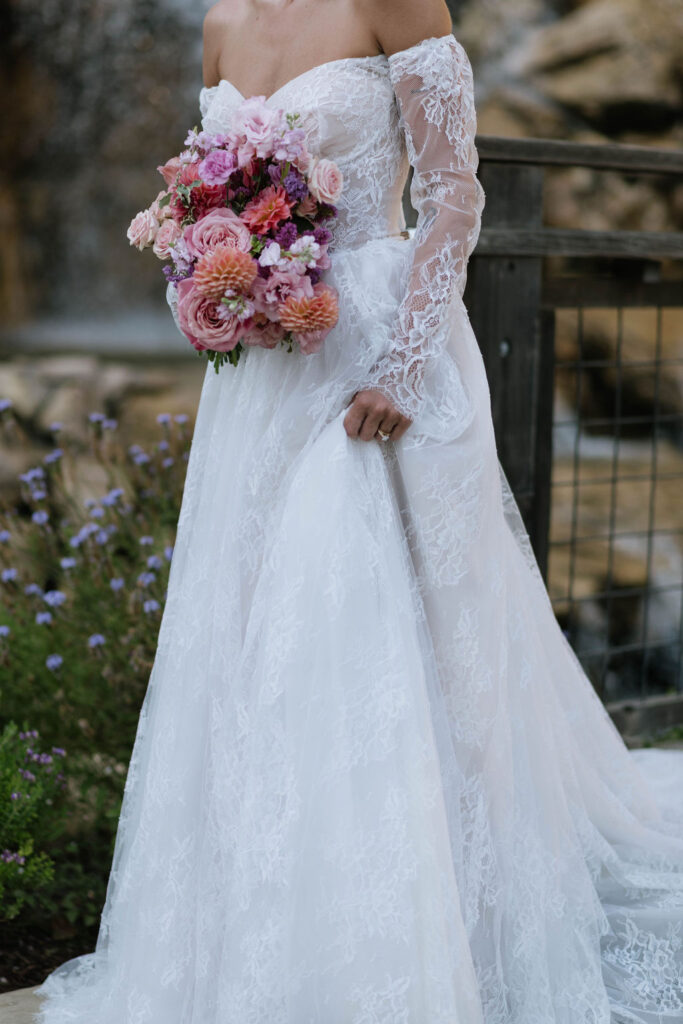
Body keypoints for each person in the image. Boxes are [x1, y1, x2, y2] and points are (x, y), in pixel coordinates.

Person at [36, 0, 683, 1021]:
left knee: (387, 639)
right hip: (259, 372)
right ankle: (270, 934)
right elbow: (209, 196)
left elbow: (454, 196)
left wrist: (402, 364)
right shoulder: (218, 24)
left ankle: (437, 939)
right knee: (253, 644)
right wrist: (216, 268)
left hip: (379, 354)